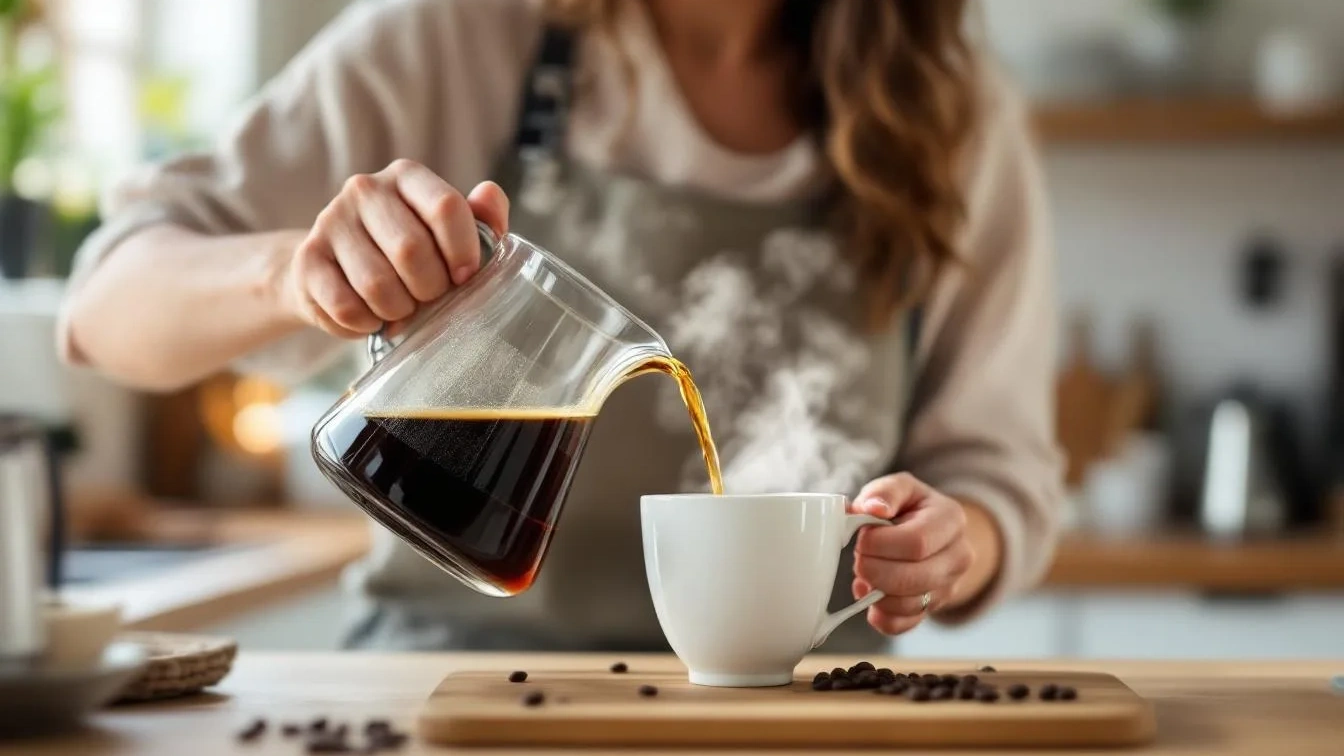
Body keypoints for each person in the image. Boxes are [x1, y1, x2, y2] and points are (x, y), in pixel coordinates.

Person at [58, 0, 1063, 652]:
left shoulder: (955, 119)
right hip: (458, 697)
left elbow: (997, 476)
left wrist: (950, 545)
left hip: (796, 716)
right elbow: (104, 307)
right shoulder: (454, 37)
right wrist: (295, 272)